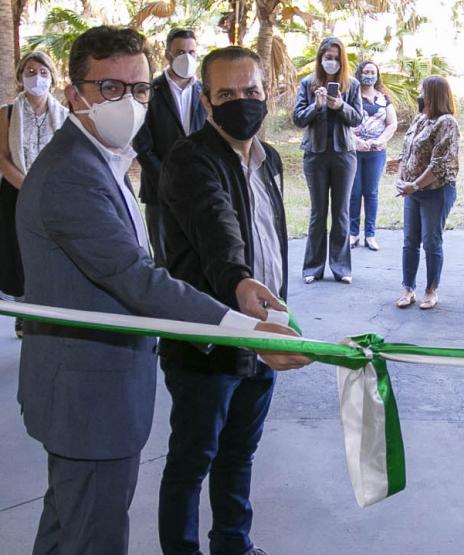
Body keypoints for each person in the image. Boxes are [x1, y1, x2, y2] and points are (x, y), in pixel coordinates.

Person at [14, 26, 310, 555]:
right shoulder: (73, 175)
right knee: (93, 537)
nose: (127, 102)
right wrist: (244, 328)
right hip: (88, 399)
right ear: (74, 94)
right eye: (110, 88)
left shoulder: (100, 160)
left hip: (96, 393)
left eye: (138, 89)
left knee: (67, 529)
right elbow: (136, 275)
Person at [157, 45, 298, 555]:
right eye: (227, 94)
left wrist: (276, 313)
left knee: (240, 453)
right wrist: (240, 284)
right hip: (208, 342)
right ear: (206, 101)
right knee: (192, 461)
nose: (242, 102)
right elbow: (218, 232)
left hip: (264, 334)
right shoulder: (190, 159)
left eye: (251, 90)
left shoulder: (269, 159)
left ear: (268, 91)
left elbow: (269, 239)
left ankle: (233, 544)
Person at [0, 51, 67, 338]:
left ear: (52, 78)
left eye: (42, 72)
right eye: (29, 71)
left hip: (52, 194)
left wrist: (45, 188)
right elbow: (3, 157)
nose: (36, 77)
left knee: (49, 252)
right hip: (15, 192)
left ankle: (49, 313)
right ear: (20, 77)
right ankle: (23, 314)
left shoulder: (64, 115)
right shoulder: (7, 113)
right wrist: (27, 185)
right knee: (18, 254)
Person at [133, 27, 206, 267]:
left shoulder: (205, 92)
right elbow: (142, 144)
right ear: (168, 55)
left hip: (199, 188)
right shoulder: (149, 90)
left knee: (199, 255)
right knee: (164, 259)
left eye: (192, 52)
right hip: (159, 190)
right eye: (180, 52)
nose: (187, 57)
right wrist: (167, 177)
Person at [293, 36, 363, 284]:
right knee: (318, 212)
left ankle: (341, 268)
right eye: (327, 57)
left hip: (344, 154)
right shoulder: (307, 83)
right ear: (320, 58)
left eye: (335, 58)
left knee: (341, 212)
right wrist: (317, 106)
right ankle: (312, 268)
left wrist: (340, 105)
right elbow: (298, 118)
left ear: (342, 60)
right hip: (315, 154)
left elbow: (357, 118)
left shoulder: (352, 84)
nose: (331, 62)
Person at [395, 75, 460, 310]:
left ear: (433, 94)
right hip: (412, 191)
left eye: (423, 91)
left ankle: (431, 290)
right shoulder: (419, 119)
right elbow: (406, 152)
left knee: (431, 242)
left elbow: (439, 164)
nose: (419, 95)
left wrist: (415, 185)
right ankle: (408, 288)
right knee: (410, 241)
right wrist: (401, 179)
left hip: (435, 191)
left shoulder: (447, 123)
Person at [349, 60, 397, 251]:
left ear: (377, 75)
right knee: (354, 192)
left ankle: (370, 234)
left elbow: (392, 124)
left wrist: (380, 140)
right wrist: (356, 141)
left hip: (376, 153)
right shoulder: (351, 97)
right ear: (359, 73)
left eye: (372, 72)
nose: (369, 75)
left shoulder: (383, 98)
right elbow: (344, 123)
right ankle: (353, 233)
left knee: (371, 192)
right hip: (354, 152)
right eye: (366, 71)